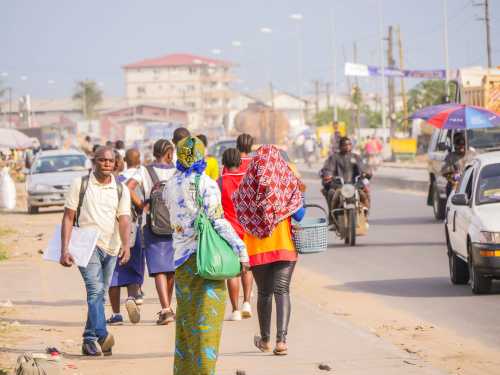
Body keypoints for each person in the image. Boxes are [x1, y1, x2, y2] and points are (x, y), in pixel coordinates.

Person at [164, 136, 249, 375]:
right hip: (206, 261)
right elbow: (218, 222)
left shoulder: (170, 185)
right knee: (207, 325)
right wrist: (241, 251)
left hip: (181, 261)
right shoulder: (206, 184)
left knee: (186, 323)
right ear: (202, 156)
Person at [233, 145, 305, 356]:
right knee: (282, 291)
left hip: (258, 248)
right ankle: (281, 341)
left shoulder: (247, 185)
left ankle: (265, 340)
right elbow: (300, 215)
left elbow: (240, 214)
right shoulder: (287, 183)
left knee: (264, 293)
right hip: (284, 246)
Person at [60, 146, 131, 357]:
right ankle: (101, 334)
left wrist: (126, 245)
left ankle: (88, 339)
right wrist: (64, 249)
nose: (107, 164)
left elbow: (125, 218)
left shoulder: (121, 189)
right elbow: (68, 217)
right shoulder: (80, 184)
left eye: (111, 161)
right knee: (94, 290)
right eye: (103, 160)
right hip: (86, 246)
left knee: (100, 295)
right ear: (94, 161)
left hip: (111, 247)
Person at [127, 139, 177, 325]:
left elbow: (127, 187)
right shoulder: (178, 170)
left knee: (158, 270)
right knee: (172, 270)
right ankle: (168, 307)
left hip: (152, 224)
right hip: (175, 225)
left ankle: (166, 309)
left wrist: (141, 205)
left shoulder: (144, 170)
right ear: (170, 153)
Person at [107, 149, 145, 325]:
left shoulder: (98, 183)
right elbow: (140, 205)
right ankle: (131, 297)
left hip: (108, 232)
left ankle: (116, 314)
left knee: (112, 274)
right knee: (131, 268)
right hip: (130, 228)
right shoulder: (124, 184)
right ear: (119, 164)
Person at [218, 148, 253, 321]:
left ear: (223, 163)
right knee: (247, 267)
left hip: (229, 232)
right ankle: (247, 302)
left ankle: (235, 310)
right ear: (240, 162)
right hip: (247, 230)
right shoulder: (248, 179)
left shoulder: (219, 182)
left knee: (233, 271)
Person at [321, 137, 370, 224]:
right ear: (340, 146)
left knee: (366, 192)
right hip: (338, 185)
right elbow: (328, 169)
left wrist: (366, 173)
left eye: (349, 144)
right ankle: (332, 217)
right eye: (344, 145)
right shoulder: (334, 157)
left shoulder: (356, 157)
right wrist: (328, 175)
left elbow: (363, 168)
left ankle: (365, 214)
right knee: (331, 193)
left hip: (354, 184)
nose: (347, 146)